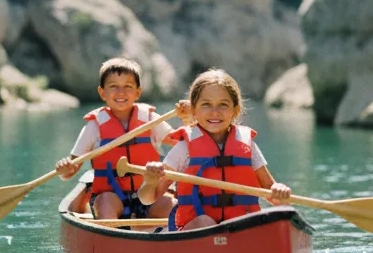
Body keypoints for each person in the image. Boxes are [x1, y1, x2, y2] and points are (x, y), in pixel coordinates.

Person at [137, 67, 292, 232]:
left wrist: (279, 192)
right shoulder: (184, 149)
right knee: (205, 222)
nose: (214, 112)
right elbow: (147, 198)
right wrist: (151, 181)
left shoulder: (247, 145)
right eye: (206, 105)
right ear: (194, 111)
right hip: (197, 230)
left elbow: (272, 192)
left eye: (223, 105)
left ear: (235, 110)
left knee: (261, 222)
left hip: (240, 228)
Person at [55, 57, 185, 222]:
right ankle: (110, 233)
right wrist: (65, 169)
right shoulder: (94, 127)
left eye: (127, 86)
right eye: (113, 86)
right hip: (110, 195)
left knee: (173, 207)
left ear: (138, 92)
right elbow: (71, 170)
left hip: (148, 192)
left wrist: (186, 119)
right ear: (102, 93)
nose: (121, 92)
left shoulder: (151, 119)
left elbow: (182, 143)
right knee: (106, 205)